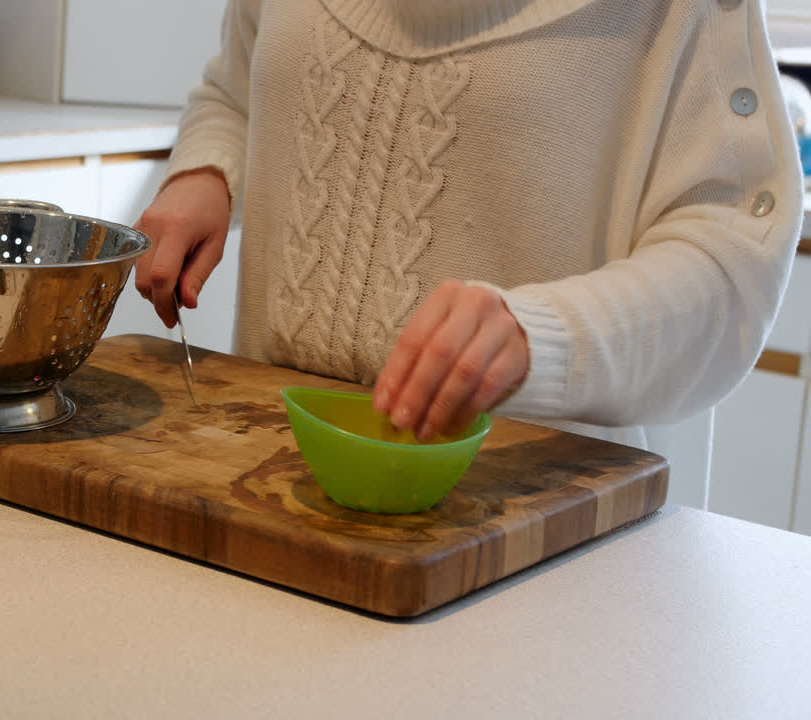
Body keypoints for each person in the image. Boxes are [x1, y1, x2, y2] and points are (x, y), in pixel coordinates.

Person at [132, 0, 805, 480]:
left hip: (529, 554)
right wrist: (206, 171)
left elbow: (728, 263)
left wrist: (536, 335)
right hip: (274, 490)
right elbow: (235, 88)